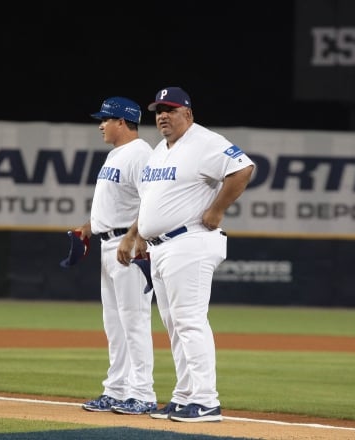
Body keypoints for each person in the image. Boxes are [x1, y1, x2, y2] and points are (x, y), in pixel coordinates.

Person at [117, 87, 255, 423]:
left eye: (170, 109)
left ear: (188, 114)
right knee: (175, 326)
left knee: (190, 322)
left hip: (190, 242)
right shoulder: (160, 152)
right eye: (158, 110)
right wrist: (136, 234)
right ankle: (184, 397)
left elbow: (243, 168)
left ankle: (206, 400)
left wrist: (218, 208)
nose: (162, 115)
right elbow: (150, 201)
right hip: (161, 247)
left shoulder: (204, 141)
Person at [78, 96, 157, 415]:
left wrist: (135, 237)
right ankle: (117, 389)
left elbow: (151, 201)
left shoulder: (141, 154)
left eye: (106, 119)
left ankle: (143, 393)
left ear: (121, 122)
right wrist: (91, 225)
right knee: (115, 324)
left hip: (129, 247)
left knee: (134, 321)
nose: (101, 124)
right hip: (108, 244)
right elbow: (116, 201)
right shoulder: (117, 154)